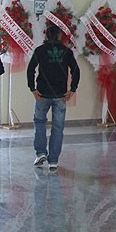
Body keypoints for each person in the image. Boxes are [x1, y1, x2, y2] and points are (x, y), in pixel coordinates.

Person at [27, 24, 80, 170]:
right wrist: (72, 89)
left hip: (42, 94)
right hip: (60, 95)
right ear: (59, 36)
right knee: (58, 127)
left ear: (46, 36)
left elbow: (30, 69)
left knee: (39, 122)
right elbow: (76, 70)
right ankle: (53, 160)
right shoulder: (67, 51)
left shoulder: (40, 50)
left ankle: (40, 153)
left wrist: (33, 88)